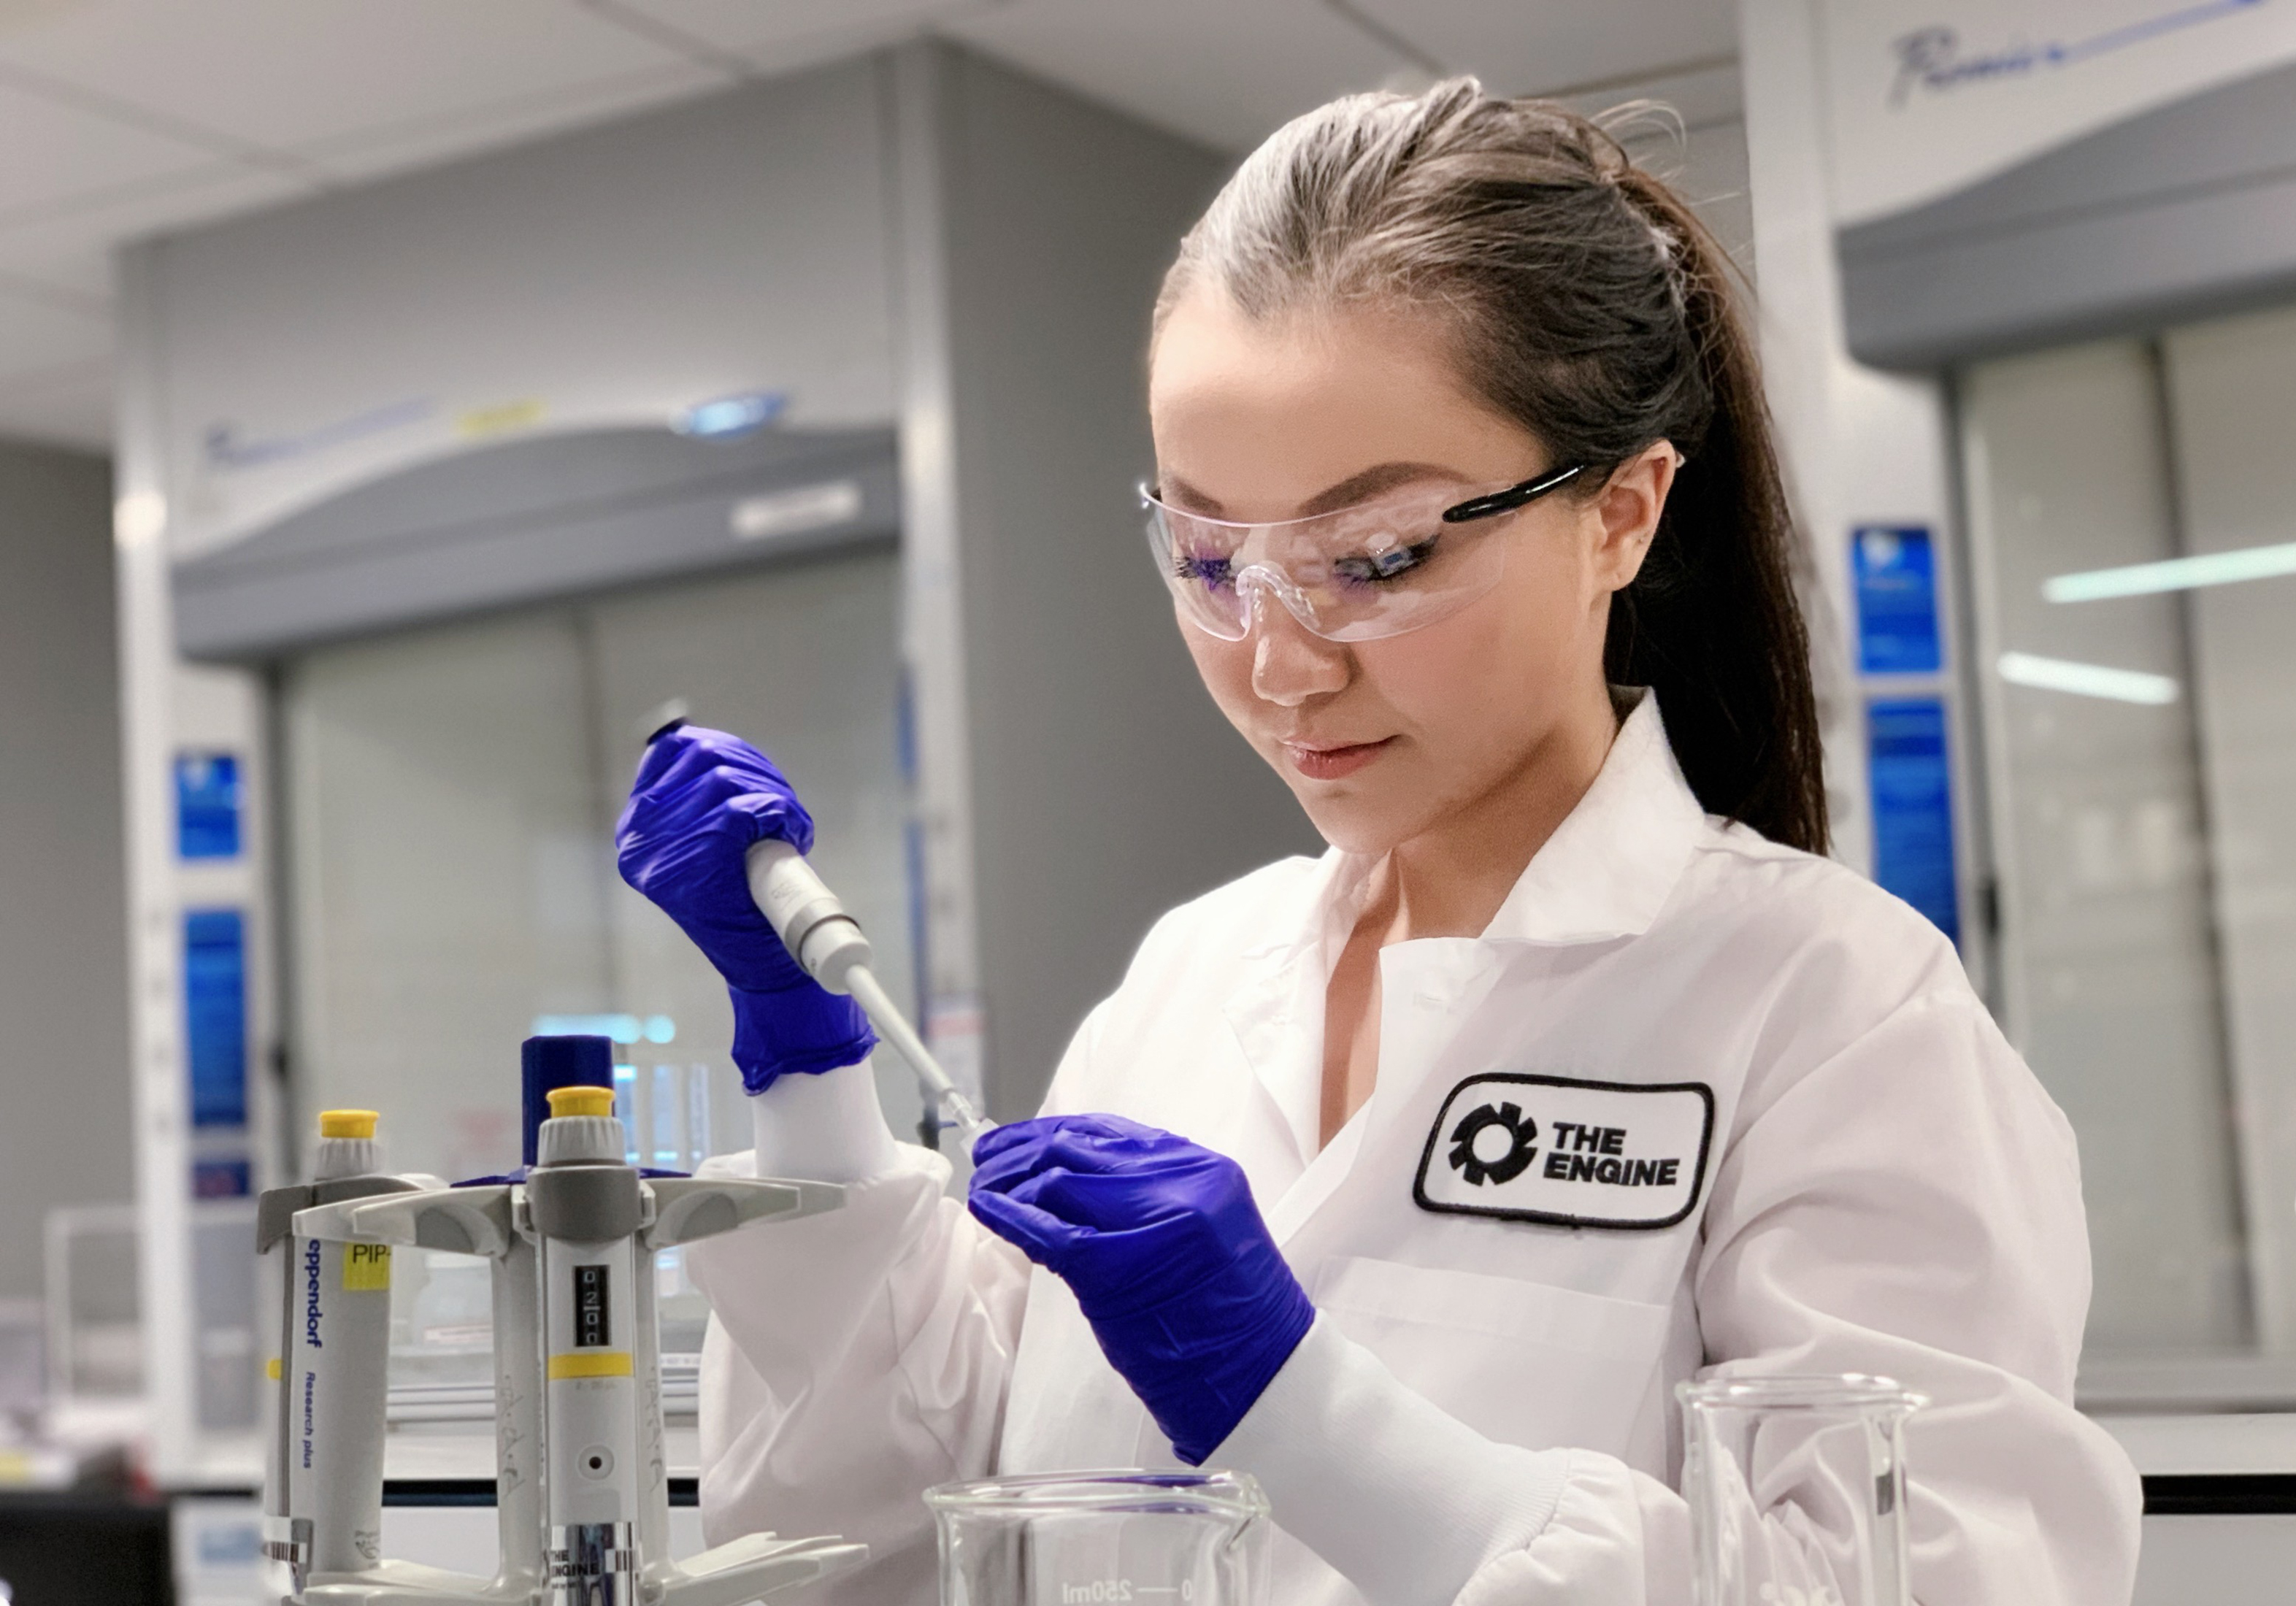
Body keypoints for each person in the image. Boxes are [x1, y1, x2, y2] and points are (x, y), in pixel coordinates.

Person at [615, 80, 2140, 1606]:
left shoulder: (1830, 1012)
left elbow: (1924, 1578)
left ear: (1623, 512)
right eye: (1210, 555)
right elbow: (872, 1546)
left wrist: (1306, 1412)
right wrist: (812, 1083)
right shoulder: (1190, 978)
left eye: (1379, 556)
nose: (1280, 663)